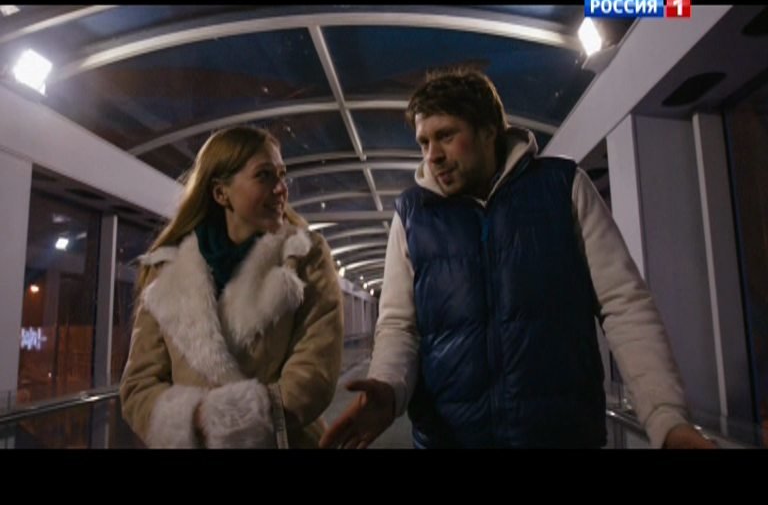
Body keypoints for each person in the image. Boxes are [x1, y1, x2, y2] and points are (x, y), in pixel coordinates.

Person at [320, 69, 714, 449]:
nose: (432, 156)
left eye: (446, 136)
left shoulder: (562, 188)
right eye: (424, 142)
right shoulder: (412, 215)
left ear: (489, 131)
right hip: (449, 440)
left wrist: (666, 418)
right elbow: (399, 327)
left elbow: (624, 305)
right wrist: (388, 389)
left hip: (561, 437)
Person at [120, 126, 343, 448]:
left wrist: (238, 420)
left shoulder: (305, 256)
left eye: (282, 175)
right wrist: (199, 420)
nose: (281, 188)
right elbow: (138, 386)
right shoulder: (165, 269)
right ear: (221, 193)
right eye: (264, 176)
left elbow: (315, 371)